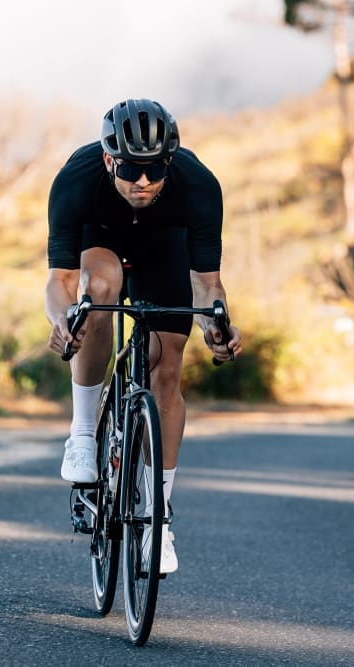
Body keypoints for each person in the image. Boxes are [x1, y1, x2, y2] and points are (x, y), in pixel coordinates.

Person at [44, 98, 242, 574]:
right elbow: (61, 282)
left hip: (163, 249)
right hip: (103, 240)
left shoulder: (197, 185)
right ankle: (84, 434)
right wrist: (63, 319)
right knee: (99, 292)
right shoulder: (77, 178)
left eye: (155, 171)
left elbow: (207, 286)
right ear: (111, 159)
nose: (144, 182)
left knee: (168, 364)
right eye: (132, 170)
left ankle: (159, 520)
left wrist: (218, 327)